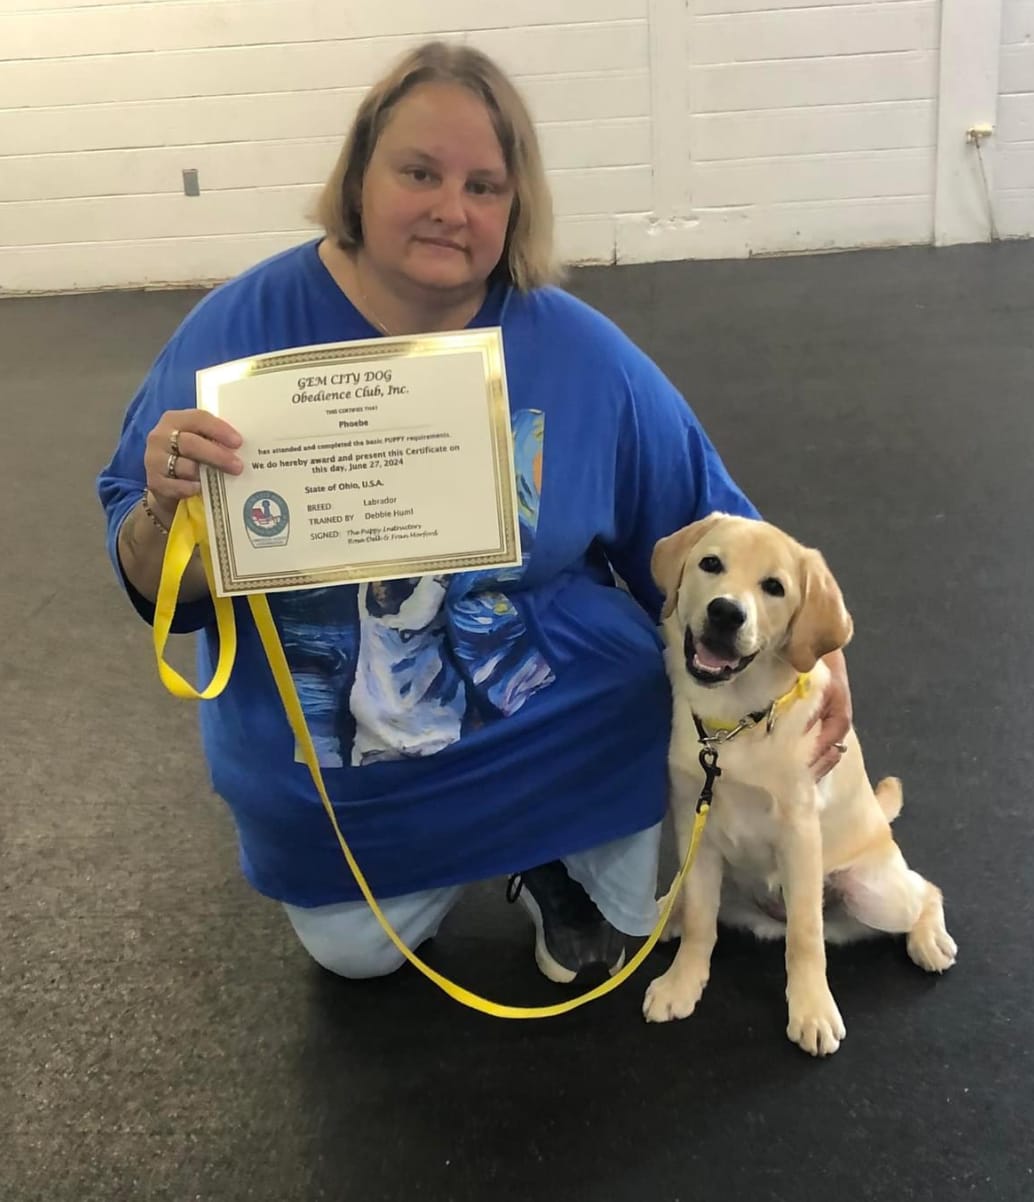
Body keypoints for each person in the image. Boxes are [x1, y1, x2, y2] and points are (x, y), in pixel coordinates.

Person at [98, 42, 851, 985]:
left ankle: (547, 853)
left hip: (555, 723)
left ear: (515, 207)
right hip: (349, 759)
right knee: (353, 957)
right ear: (361, 174)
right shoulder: (233, 333)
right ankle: (465, 856)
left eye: (485, 187)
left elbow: (723, 532)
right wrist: (164, 522)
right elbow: (140, 563)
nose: (452, 209)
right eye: (420, 172)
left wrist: (815, 660)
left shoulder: (582, 353)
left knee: (625, 925)